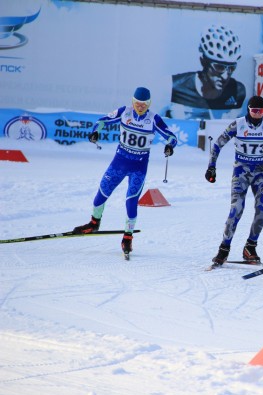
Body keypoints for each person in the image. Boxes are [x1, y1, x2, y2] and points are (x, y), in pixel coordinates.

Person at [73, 87, 177, 257]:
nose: (140, 107)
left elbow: (172, 137)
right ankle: (94, 223)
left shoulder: (153, 119)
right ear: (132, 101)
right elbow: (102, 121)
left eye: (144, 104)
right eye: (137, 103)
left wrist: (169, 146)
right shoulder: (124, 112)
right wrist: (95, 132)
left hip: (138, 168)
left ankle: (127, 237)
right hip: (118, 164)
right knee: (102, 192)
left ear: (149, 104)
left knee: (131, 201)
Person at [205, 96, 263, 266]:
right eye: (254, 111)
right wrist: (211, 167)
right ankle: (224, 248)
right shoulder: (238, 124)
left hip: (261, 173)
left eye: (260, 111)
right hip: (241, 172)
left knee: (261, 210)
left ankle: (250, 247)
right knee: (236, 209)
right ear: (248, 109)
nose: (257, 115)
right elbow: (218, 144)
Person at [161, 24, 246, 121]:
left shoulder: (237, 91)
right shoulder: (173, 86)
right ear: (203, 61)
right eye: (219, 67)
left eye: (231, 68)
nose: (225, 76)